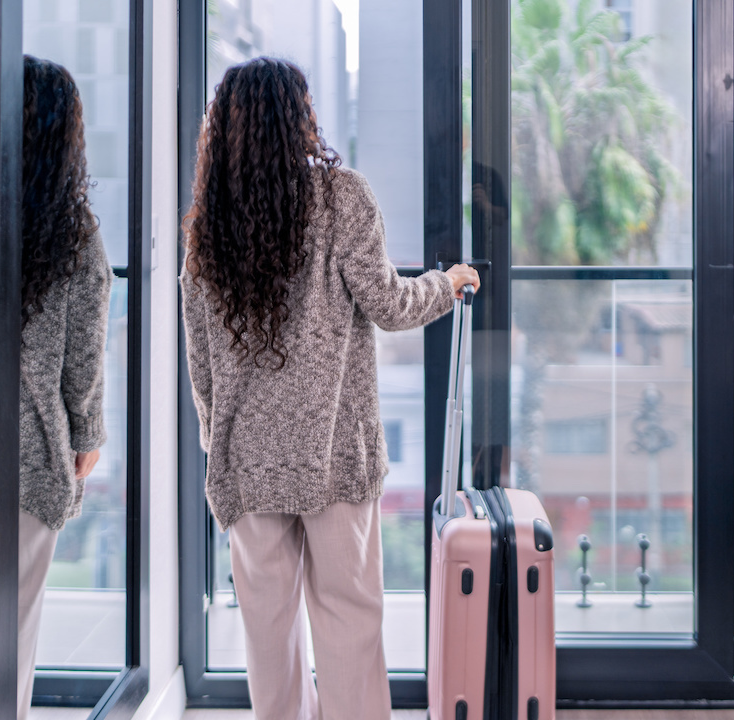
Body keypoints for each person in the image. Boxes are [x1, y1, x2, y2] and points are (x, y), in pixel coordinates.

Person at [180, 57, 480, 720]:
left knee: (267, 630)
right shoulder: (342, 197)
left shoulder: (207, 227)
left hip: (247, 461)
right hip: (334, 454)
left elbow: (200, 356)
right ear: (300, 118)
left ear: (223, 130)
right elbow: (391, 304)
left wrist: (217, 440)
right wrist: (451, 281)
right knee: (348, 615)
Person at [18, 55, 113, 720]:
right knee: (12, 631)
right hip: (33, 456)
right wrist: (88, 435)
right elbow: (84, 357)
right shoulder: (73, 235)